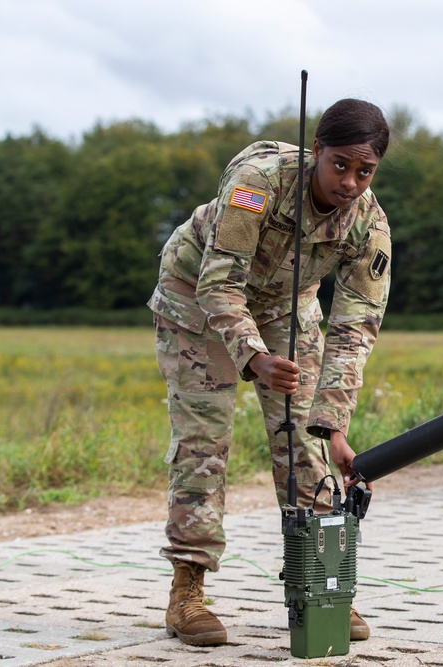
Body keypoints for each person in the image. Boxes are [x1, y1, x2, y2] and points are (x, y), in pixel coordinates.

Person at [148, 98, 391, 647]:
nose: (350, 181)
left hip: (285, 304)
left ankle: (320, 585)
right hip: (197, 300)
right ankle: (187, 589)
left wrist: (334, 427)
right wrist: (253, 357)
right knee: (204, 441)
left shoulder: (369, 224)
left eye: (365, 170)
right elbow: (220, 284)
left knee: (307, 445)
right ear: (317, 152)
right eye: (340, 165)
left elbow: (356, 326)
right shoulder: (258, 182)